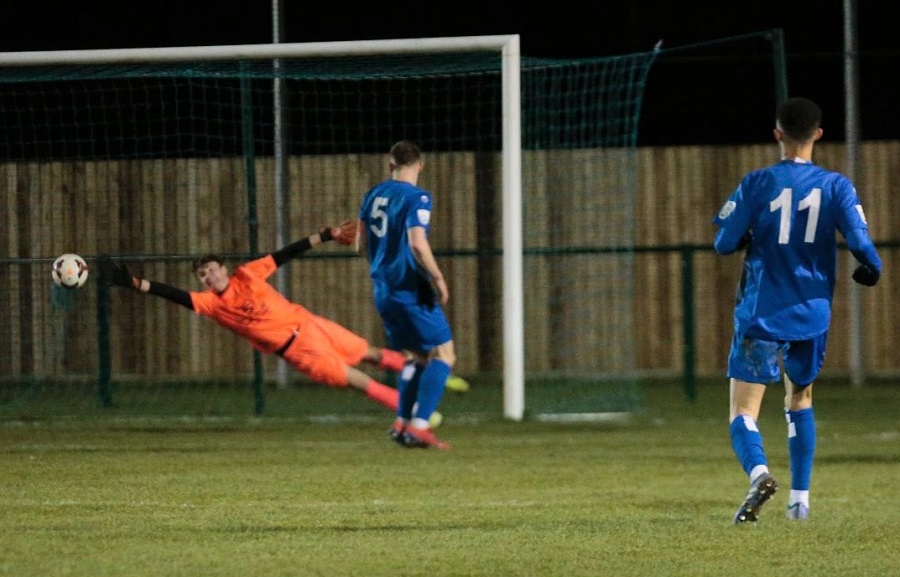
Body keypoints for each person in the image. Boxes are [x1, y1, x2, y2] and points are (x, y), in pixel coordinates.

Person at [96, 221, 462, 425]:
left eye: (210, 270)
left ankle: (438, 376)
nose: (207, 278)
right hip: (298, 349)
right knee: (358, 379)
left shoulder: (247, 275)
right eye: (202, 275)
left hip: (309, 322)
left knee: (370, 352)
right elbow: (169, 293)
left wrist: (327, 235)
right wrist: (133, 283)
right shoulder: (209, 304)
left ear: (223, 268)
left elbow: (284, 254)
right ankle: (415, 412)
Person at [712, 97, 882, 523]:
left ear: (777, 134)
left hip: (761, 310)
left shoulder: (758, 183)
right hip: (811, 314)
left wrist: (751, 232)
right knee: (800, 399)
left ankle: (759, 473)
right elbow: (862, 245)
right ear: (818, 135)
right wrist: (872, 269)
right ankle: (799, 502)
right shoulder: (836, 186)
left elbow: (723, 243)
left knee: (743, 411)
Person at [357, 140, 457, 450]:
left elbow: (360, 245)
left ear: (391, 165)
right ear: (421, 165)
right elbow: (417, 242)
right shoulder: (418, 197)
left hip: (383, 290)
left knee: (415, 356)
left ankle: (401, 423)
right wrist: (437, 276)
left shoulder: (372, 194)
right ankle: (420, 425)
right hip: (409, 288)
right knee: (445, 354)